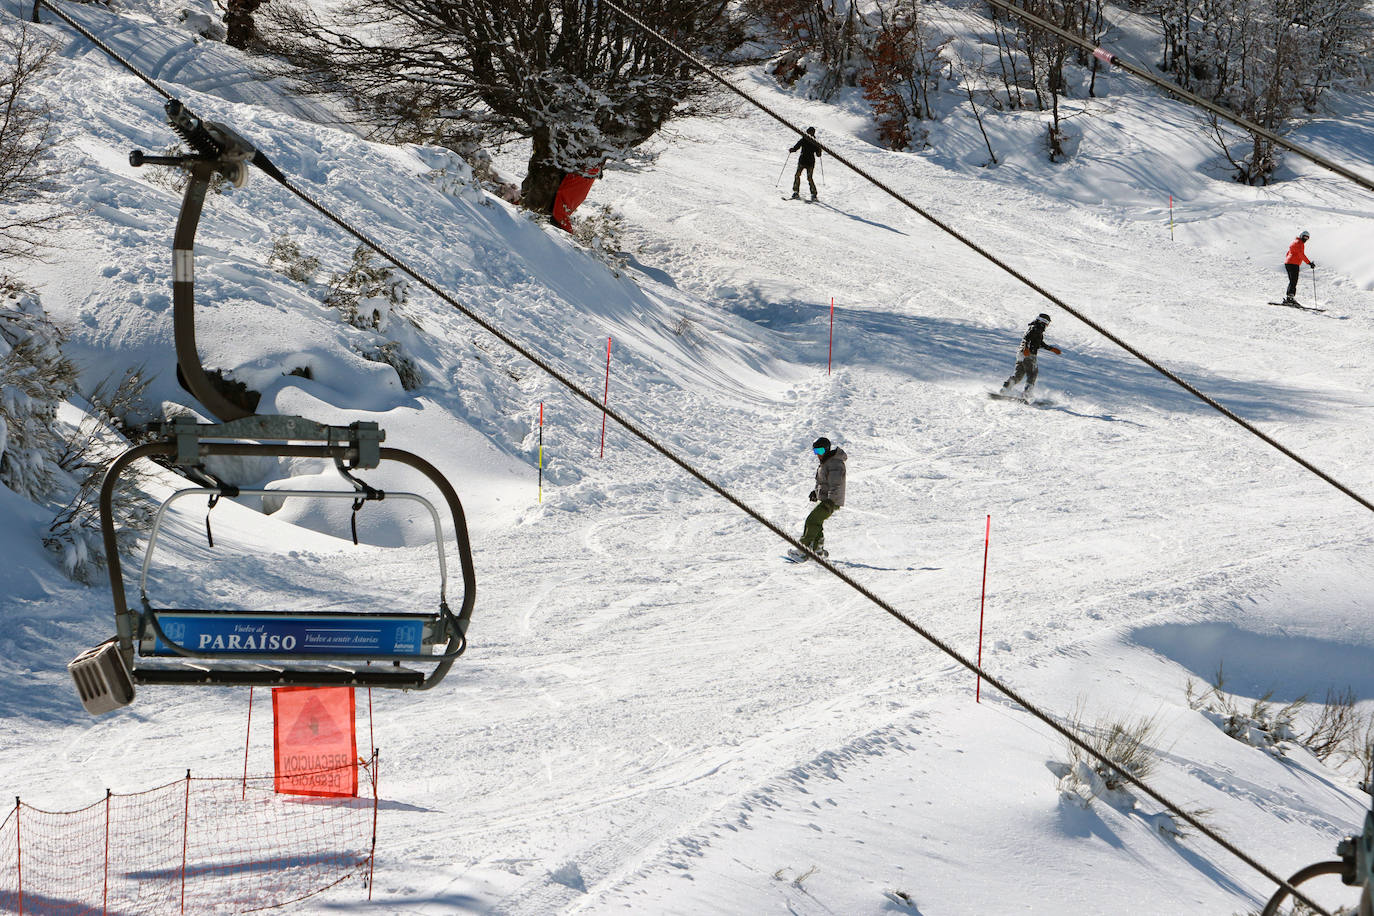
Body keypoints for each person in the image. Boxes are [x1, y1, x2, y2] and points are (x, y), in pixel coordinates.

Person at [789, 436, 847, 561]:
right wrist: (816, 492)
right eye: (816, 452)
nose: (818, 455)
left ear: (826, 450)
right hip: (828, 499)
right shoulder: (827, 462)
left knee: (812, 521)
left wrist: (830, 502)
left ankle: (802, 550)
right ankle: (818, 550)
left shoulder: (835, 463)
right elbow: (822, 482)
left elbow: (836, 484)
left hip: (831, 500)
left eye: (820, 451)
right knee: (817, 523)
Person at [999, 313, 1061, 400]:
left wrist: (1051, 349)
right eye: (1047, 323)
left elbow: (1038, 343)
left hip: (1021, 354)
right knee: (1033, 373)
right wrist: (1026, 348)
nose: (1047, 325)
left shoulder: (1035, 328)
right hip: (1028, 354)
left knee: (1018, 375)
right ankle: (1027, 393)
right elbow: (1026, 338)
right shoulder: (1036, 328)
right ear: (1044, 322)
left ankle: (1005, 389)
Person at [1282, 230, 1315, 305]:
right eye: (1305, 237)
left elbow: (1288, 253)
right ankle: (1290, 298)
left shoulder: (1295, 242)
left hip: (1289, 263)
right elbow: (1301, 254)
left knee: (1292, 280)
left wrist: (1288, 260)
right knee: (1294, 281)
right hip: (1293, 263)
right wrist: (1309, 263)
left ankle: (1289, 297)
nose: (1306, 239)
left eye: (1307, 238)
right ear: (1301, 236)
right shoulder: (1300, 243)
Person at [790, 127, 823, 201]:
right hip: (807, 162)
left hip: (806, 161)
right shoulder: (807, 140)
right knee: (803, 176)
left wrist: (819, 151)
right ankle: (809, 193)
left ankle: (811, 194)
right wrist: (793, 149)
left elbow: (818, 154)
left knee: (805, 177)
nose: (809, 133)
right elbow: (796, 147)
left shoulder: (812, 141)